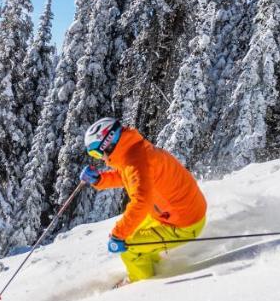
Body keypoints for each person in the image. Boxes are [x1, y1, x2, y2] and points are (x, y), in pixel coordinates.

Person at [78, 117, 207, 282]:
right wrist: (99, 180)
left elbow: (141, 201)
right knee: (133, 233)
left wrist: (118, 235)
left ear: (108, 144)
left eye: (96, 152)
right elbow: (128, 175)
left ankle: (142, 286)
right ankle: (154, 269)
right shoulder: (133, 152)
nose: (99, 158)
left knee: (129, 248)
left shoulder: (136, 162)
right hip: (177, 212)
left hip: (184, 223)